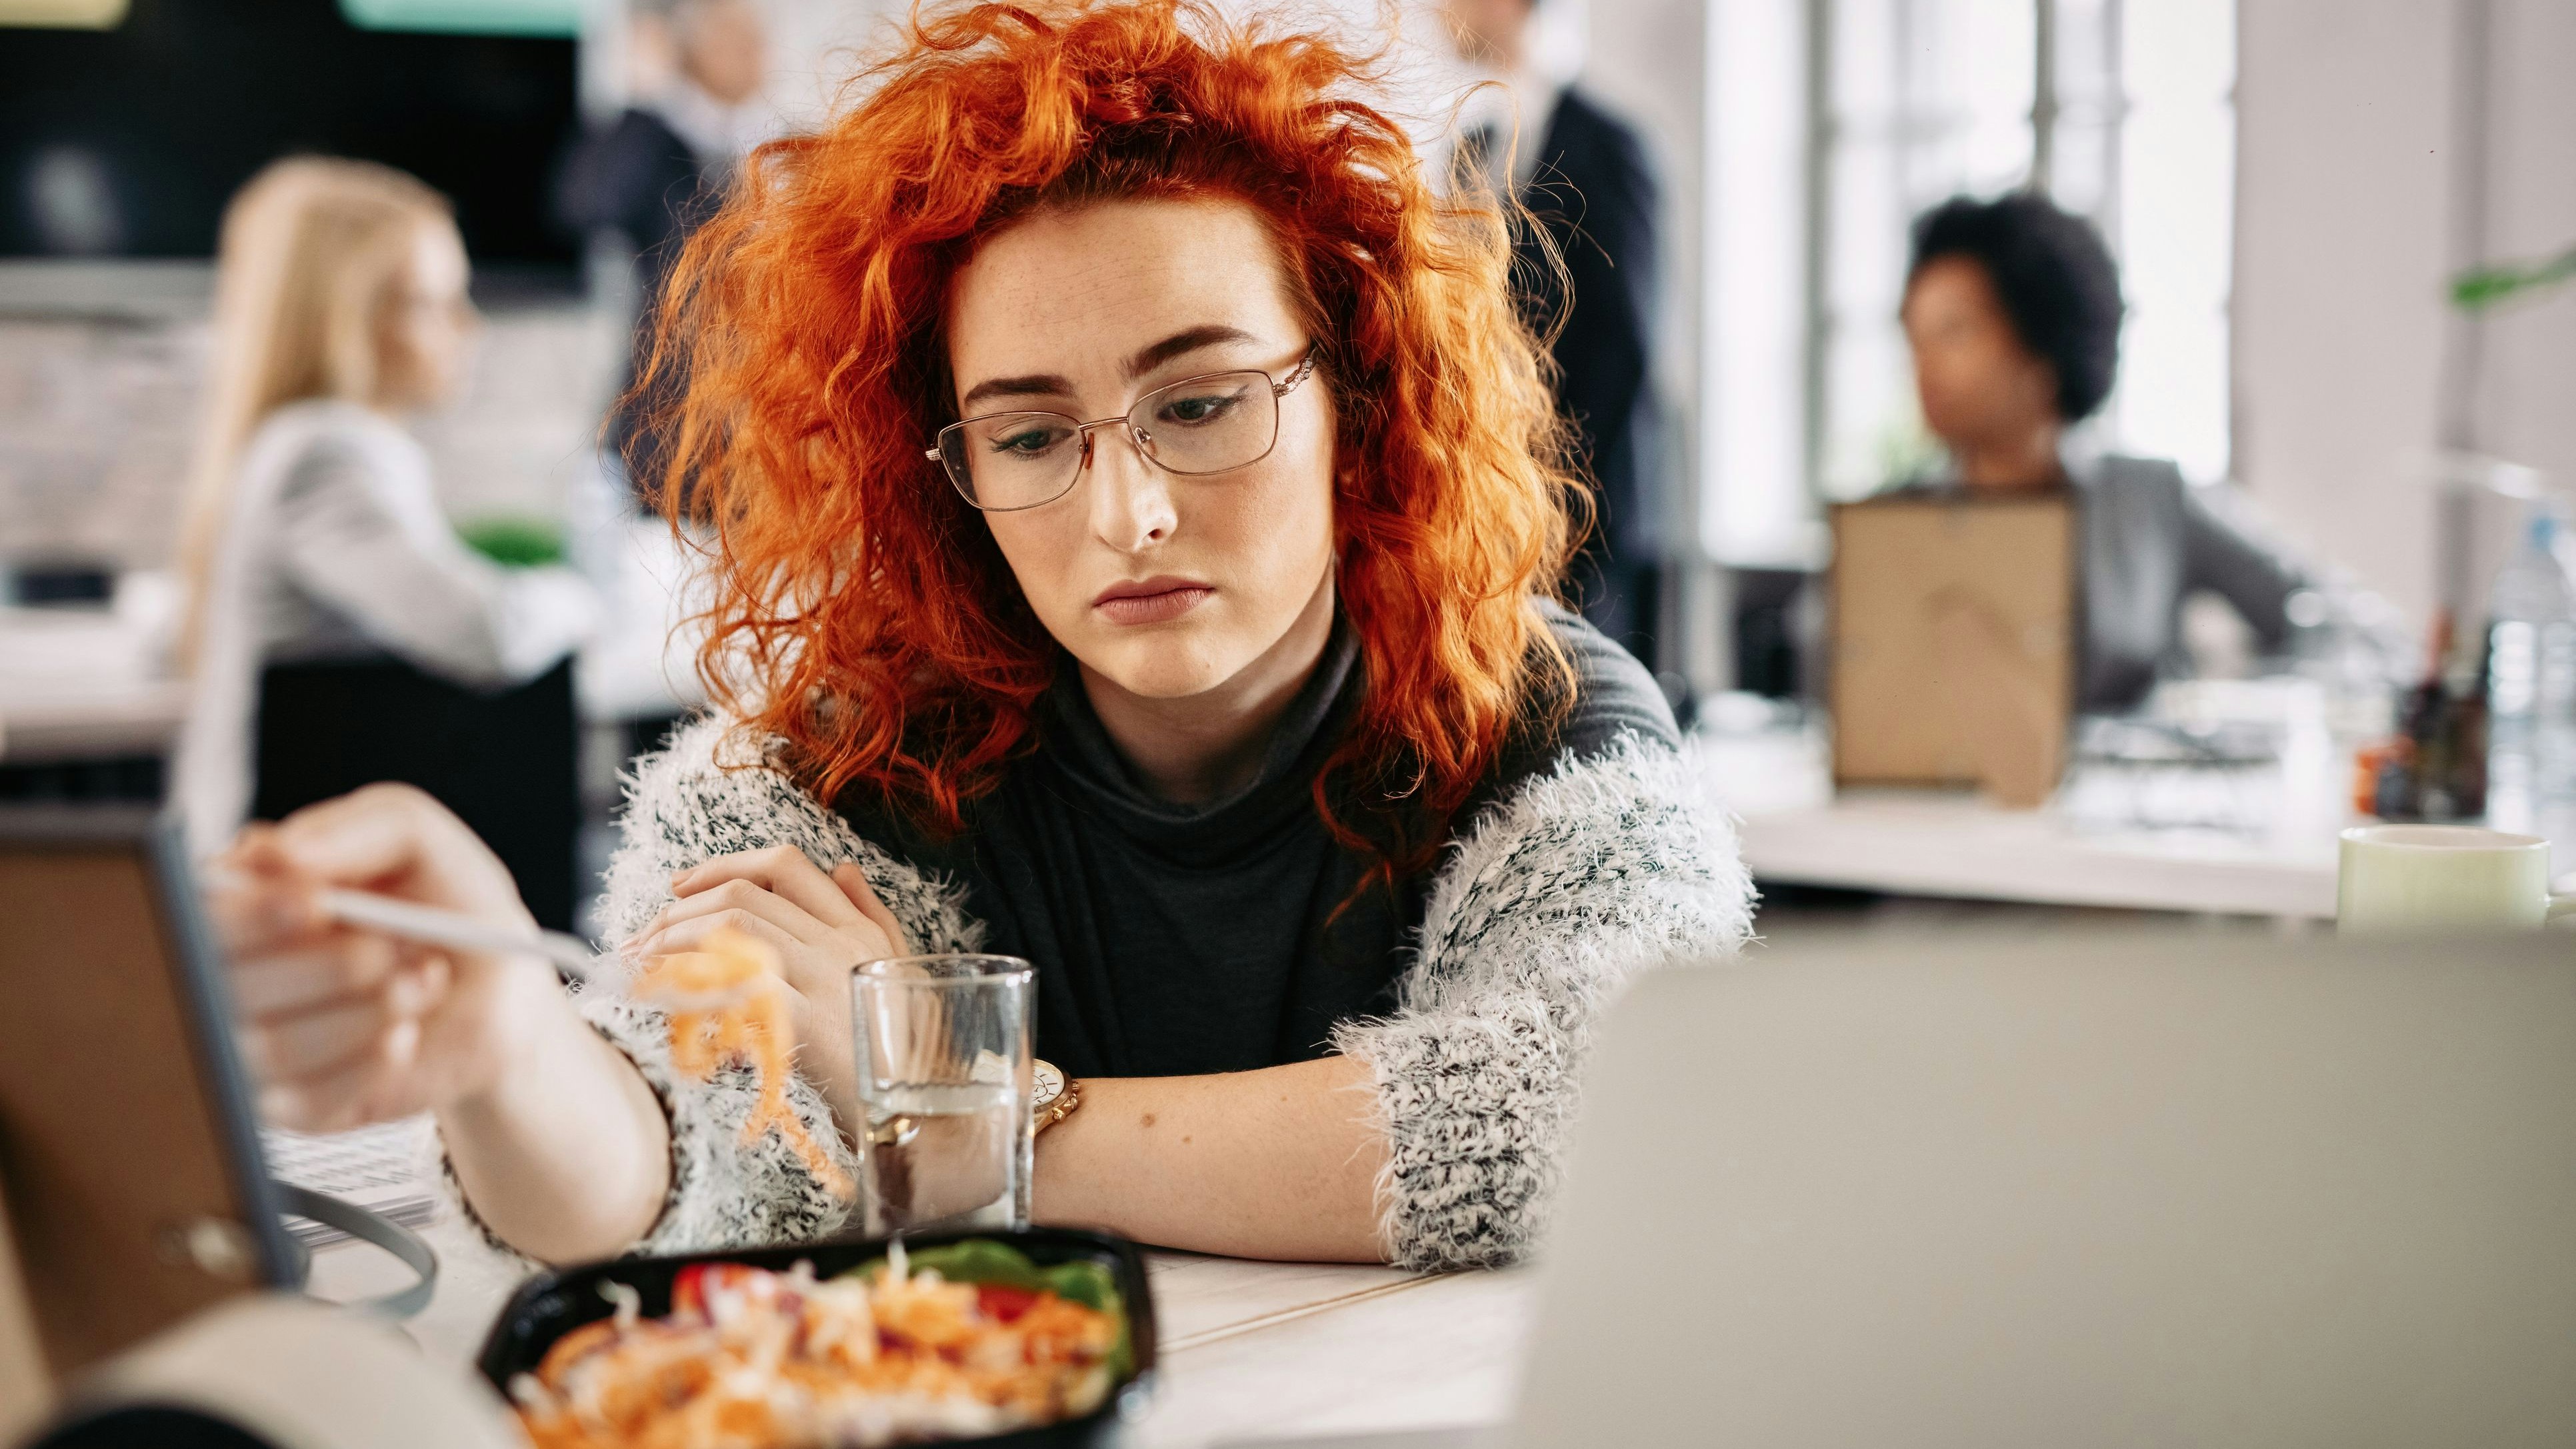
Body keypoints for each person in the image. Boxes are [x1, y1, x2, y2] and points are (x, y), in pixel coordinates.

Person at [207, 0, 1753, 1273]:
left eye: (1200, 404)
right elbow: (670, 1159)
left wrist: (956, 1119)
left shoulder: (1535, 711)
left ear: (1357, 403)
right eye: (1027, 436)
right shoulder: (839, 767)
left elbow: (1609, 1108)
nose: (1126, 511)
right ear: (944, 468)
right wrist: (502, 1052)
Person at [173, 158, 599, 928]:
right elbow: (485, 632)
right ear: (347, 317)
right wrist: (585, 595)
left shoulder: (309, 444)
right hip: (277, 884)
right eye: (431, 302)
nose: (467, 328)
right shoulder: (328, 452)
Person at [1899, 191, 2309, 715]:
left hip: (2134, 791)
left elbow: (2323, 617)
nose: (1924, 366)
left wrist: (2243, 705)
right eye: (1915, 337)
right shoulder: (1893, 522)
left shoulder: (2150, 499)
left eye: (1954, 332)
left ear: (2041, 337)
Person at [1440, 0, 1668, 679]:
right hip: (1486, 525)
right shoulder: (1470, 152)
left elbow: (1627, 347)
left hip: (1586, 526)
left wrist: (1552, 498)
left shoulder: (1611, 146)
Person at [555, 0, 772, 509]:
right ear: (688, 49)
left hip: (769, 418)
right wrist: (645, 95)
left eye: (758, 39)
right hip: (675, 420)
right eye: (734, 39)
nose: (757, 54)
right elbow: (584, 204)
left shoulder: (782, 144)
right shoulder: (654, 143)